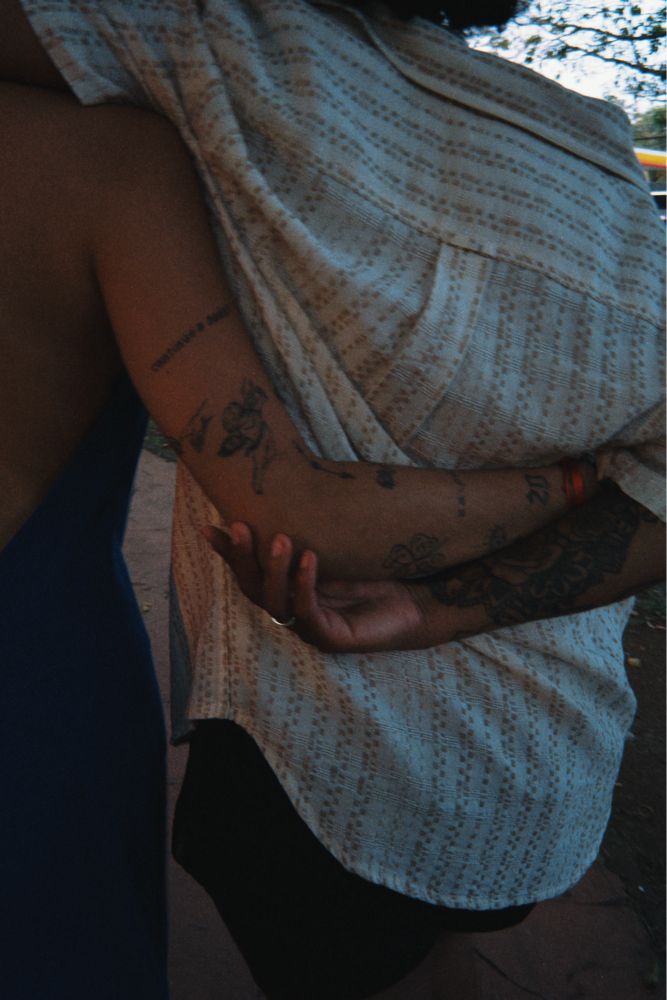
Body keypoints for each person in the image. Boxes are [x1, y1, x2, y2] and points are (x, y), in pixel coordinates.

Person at [1, 1, 664, 998]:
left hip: (334, 762)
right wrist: (582, 483)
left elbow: (302, 517)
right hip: (533, 763)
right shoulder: (598, 159)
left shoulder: (219, 57)